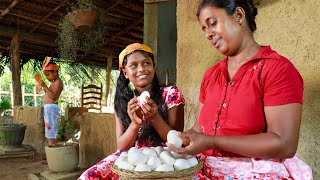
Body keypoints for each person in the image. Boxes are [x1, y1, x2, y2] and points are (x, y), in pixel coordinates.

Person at [167, 0, 313, 179]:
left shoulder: (276, 70)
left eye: (212, 23)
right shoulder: (211, 75)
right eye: (203, 29)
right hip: (206, 170)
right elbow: (199, 129)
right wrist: (182, 139)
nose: (207, 34)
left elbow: (284, 144)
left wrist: (211, 141)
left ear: (239, 15)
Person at [78, 43, 185, 179]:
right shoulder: (123, 102)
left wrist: (155, 117)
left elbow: (177, 141)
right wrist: (135, 124)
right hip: (131, 159)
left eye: (146, 63)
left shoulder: (171, 94)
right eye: (133, 65)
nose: (141, 69)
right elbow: (121, 145)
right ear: (125, 73)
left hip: (165, 159)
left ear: (154, 67)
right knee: (88, 176)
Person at [38, 61, 64, 146]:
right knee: (49, 129)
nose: (47, 77)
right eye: (46, 76)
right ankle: (51, 147)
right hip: (49, 108)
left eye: (48, 75)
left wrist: (45, 86)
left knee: (51, 130)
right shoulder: (54, 83)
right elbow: (49, 94)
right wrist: (44, 87)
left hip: (51, 108)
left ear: (55, 72)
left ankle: (52, 147)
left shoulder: (58, 82)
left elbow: (53, 97)